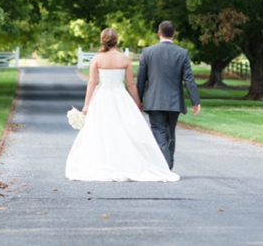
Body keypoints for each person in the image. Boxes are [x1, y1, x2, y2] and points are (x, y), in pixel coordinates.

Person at [65, 28, 179, 182]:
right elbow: (131, 84)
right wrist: (137, 102)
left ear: (102, 40)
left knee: (102, 130)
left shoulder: (97, 59)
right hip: (121, 97)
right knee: (126, 129)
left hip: (102, 97)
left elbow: (92, 82)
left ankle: (104, 162)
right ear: (117, 40)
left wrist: (86, 105)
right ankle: (128, 162)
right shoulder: (124, 59)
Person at [137, 20, 201, 170]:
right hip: (174, 101)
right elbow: (189, 79)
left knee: (159, 133)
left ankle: (163, 167)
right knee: (170, 134)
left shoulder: (147, 52)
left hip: (154, 100)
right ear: (174, 34)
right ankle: (168, 165)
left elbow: (141, 79)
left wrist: (138, 100)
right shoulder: (182, 53)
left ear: (159, 33)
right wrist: (195, 101)